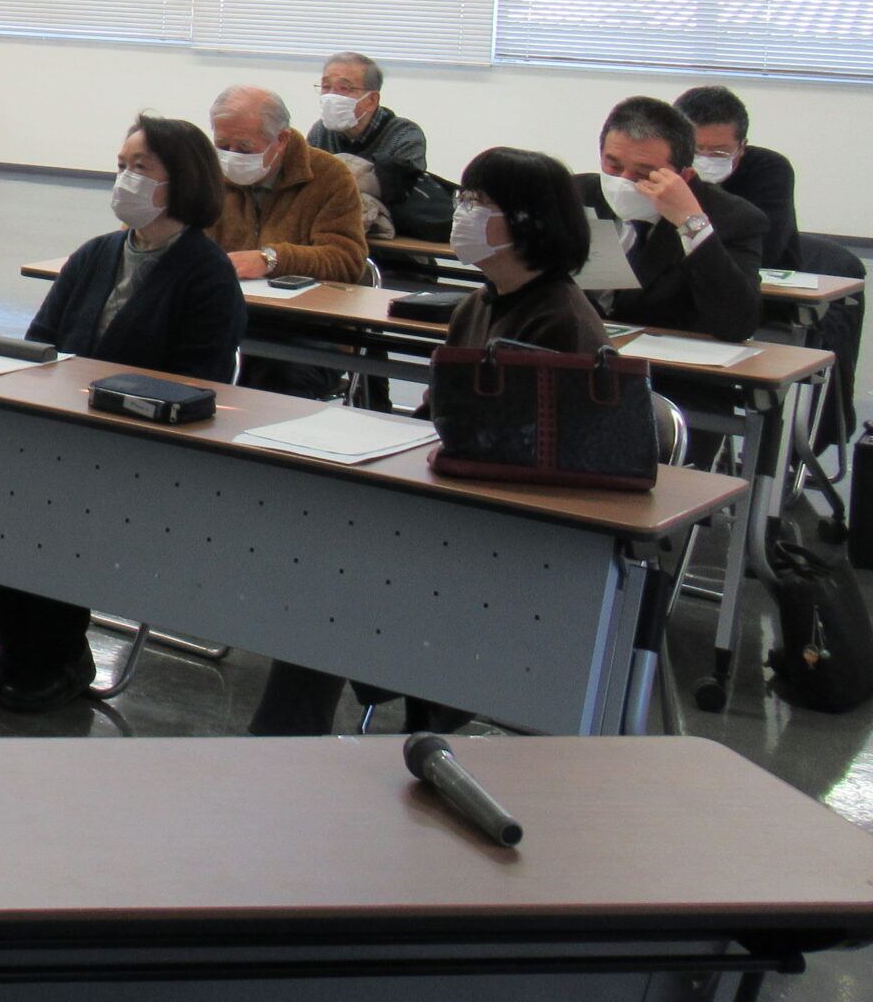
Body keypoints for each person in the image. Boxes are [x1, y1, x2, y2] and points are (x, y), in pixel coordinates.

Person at [249, 147, 599, 736]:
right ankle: (296, 738)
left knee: (336, 586)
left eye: (477, 202)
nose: (462, 213)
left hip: (512, 536)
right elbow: (442, 419)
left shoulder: (560, 320)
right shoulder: (479, 304)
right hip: (455, 506)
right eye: (463, 198)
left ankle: (304, 737)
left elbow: (523, 453)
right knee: (327, 572)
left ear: (528, 220)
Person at [0, 116, 243, 714]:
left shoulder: (208, 274)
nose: (125, 178)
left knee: (53, 500)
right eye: (121, 165)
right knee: (2, 484)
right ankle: (18, 649)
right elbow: (40, 344)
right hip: (69, 433)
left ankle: (59, 657)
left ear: (182, 180)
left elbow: (202, 386)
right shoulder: (96, 255)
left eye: (141, 167)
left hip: (143, 450)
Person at [576, 95, 765, 343]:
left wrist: (691, 224)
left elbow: (738, 326)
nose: (624, 181)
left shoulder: (732, 217)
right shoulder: (573, 194)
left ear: (684, 176)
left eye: (644, 173)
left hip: (670, 359)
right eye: (614, 166)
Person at [208, 85, 369, 284]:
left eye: (245, 147)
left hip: (300, 302)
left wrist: (271, 260)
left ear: (281, 139)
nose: (232, 156)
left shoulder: (329, 176)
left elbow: (347, 261)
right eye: (222, 145)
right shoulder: (208, 174)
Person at [676, 86, 802, 271]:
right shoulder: (662, 167)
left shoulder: (769, 169)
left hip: (761, 281)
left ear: (742, 147)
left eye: (719, 152)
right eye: (694, 149)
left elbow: (763, 248)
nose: (704, 158)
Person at [305, 52, 429, 214]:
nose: (332, 96)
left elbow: (404, 195)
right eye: (326, 87)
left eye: (344, 88)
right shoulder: (320, 132)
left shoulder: (404, 135)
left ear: (371, 100)